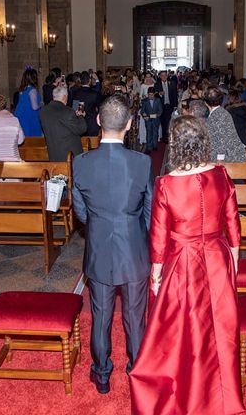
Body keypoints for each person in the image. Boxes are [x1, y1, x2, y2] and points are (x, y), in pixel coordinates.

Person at [130, 115, 244, 415]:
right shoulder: (222, 175)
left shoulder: (166, 184)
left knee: (183, 330)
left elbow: (158, 234)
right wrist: (233, 260)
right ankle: (222, 396)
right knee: (220, 328)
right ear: (203, 141)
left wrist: (156, 273)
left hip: (183, 261)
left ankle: (186, 391)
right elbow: (233, 224)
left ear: (176, 145)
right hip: (217, 257)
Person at [72, 95, 153, 395]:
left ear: (97, 122)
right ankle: (137, 370)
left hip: (99, 251)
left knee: (101, 316)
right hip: (134, 252)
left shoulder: (81, 163)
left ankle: (102, 374)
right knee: (135, 318)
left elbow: (80, 212)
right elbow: (150, 211)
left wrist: (99, 224)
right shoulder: (142, 162)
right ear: (130, 124)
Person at [40, 85, 87, 161]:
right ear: (65, 97)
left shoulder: (43, 111)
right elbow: (82, 129)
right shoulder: (67, 111)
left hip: (53, 154)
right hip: (69, 156)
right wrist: (81, 116)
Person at [204, 85, 246, 162]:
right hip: (233, 156)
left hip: (229, 158)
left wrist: (219, 159)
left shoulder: (217, 115)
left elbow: (221, 138)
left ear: (205, 102)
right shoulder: (222, 111)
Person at [14, 67, 42, 136]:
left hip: (22, 115)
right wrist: (41, 104)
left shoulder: (22, 90)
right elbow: (34, 107)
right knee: (33, 139)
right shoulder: (32, 90)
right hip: (30, 117)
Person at [72, 71, 101, 136]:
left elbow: (74, 109)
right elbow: (100, 109)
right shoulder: (94, 94)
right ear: (89, 80)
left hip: (80, 124)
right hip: (92, 124)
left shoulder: (76, 93)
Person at [154, 70, 178, 143]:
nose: (164, 77)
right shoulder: (156, 84)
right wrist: (160, 94)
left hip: (169, 106)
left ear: (167, 76)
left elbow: (175, 95)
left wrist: (175, 105)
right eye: (162, 75)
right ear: (160, 76)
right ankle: (164, 135)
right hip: (161, 106)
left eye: (165, 75)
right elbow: (155, 95)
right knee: (163, 122)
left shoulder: (172, 83)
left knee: (168, 122)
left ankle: (166, 137)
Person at [140, 86, 163, 154]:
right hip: (148, 121)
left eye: (152, 95)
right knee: (149, 133)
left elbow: (160, 110)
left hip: (156, 120)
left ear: (154, 94)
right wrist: (144, 115)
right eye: (149, 95)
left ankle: (155, 145)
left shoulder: (158, 100)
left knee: (155, 133)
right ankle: (149, 147)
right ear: (147, 94)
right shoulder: (145, 101)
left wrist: (157, 115)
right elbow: (142, 111)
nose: (150, 96)